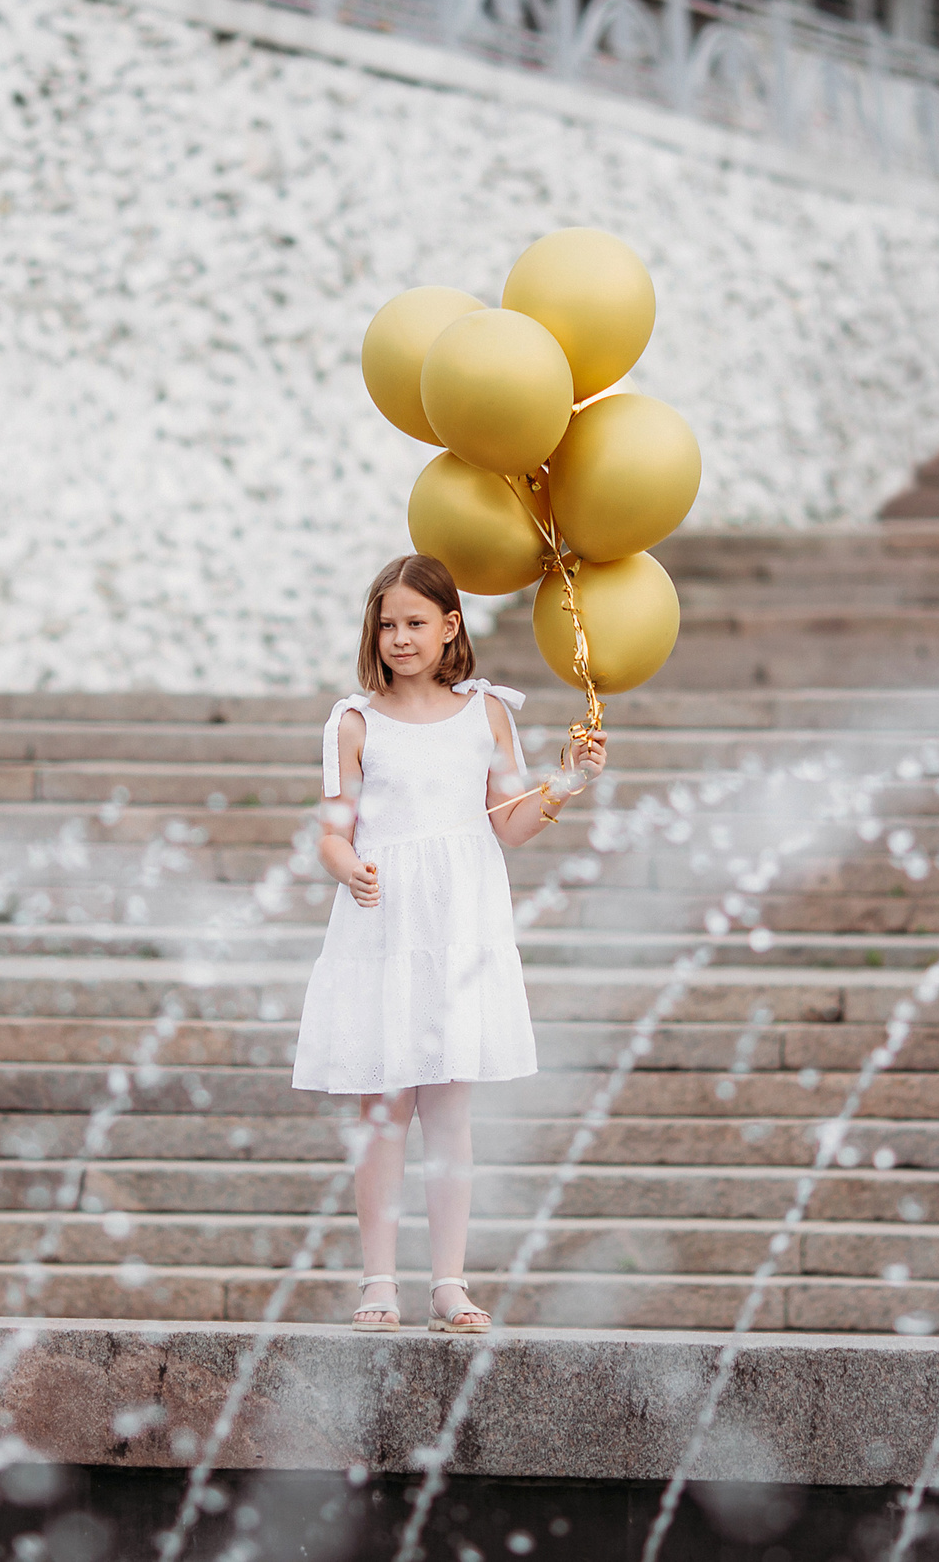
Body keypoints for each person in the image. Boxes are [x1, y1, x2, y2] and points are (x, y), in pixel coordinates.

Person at [293, 553, 606, 1335]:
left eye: (416, 623)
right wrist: (350, 867)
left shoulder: (486, 714)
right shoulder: (354, 722)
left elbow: (509, 822)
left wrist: (565, 783)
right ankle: (378, 1279)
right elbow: (333, 832)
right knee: (384, 1106)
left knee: (450, 1107)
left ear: (450, 627)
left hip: (460, 918)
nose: (401, 637)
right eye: (389, 624)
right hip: (386, 922)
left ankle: (448, 1281)